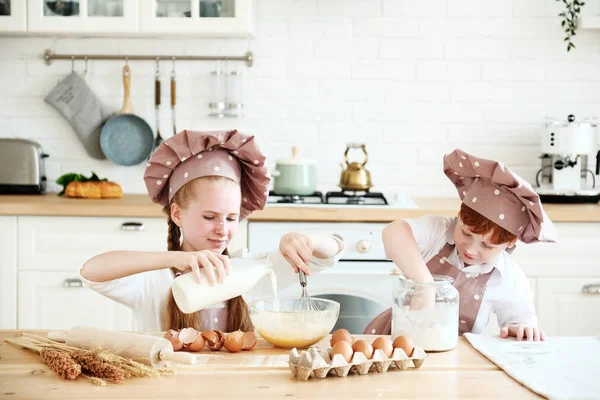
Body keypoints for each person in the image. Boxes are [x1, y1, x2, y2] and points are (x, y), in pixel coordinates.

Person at [80, 129, 344, 332]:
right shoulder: (154, 281)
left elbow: (332, 251)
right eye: (209, 217)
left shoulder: (253, 270)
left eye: (231, 218)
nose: (222, 229)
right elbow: (92, 271)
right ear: (177, 214)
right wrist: (175, 259)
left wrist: (303, 239)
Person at [364, 148, 556, 341]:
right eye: (465, 232)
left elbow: (521, 321)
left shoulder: (508, 277)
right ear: (459, 215)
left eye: (487, 245)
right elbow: (394, 231)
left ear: (510, 242)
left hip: (453, 357)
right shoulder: (438, 233)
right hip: (395, 343)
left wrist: (522, 328)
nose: (471, 249)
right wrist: (426, 286)